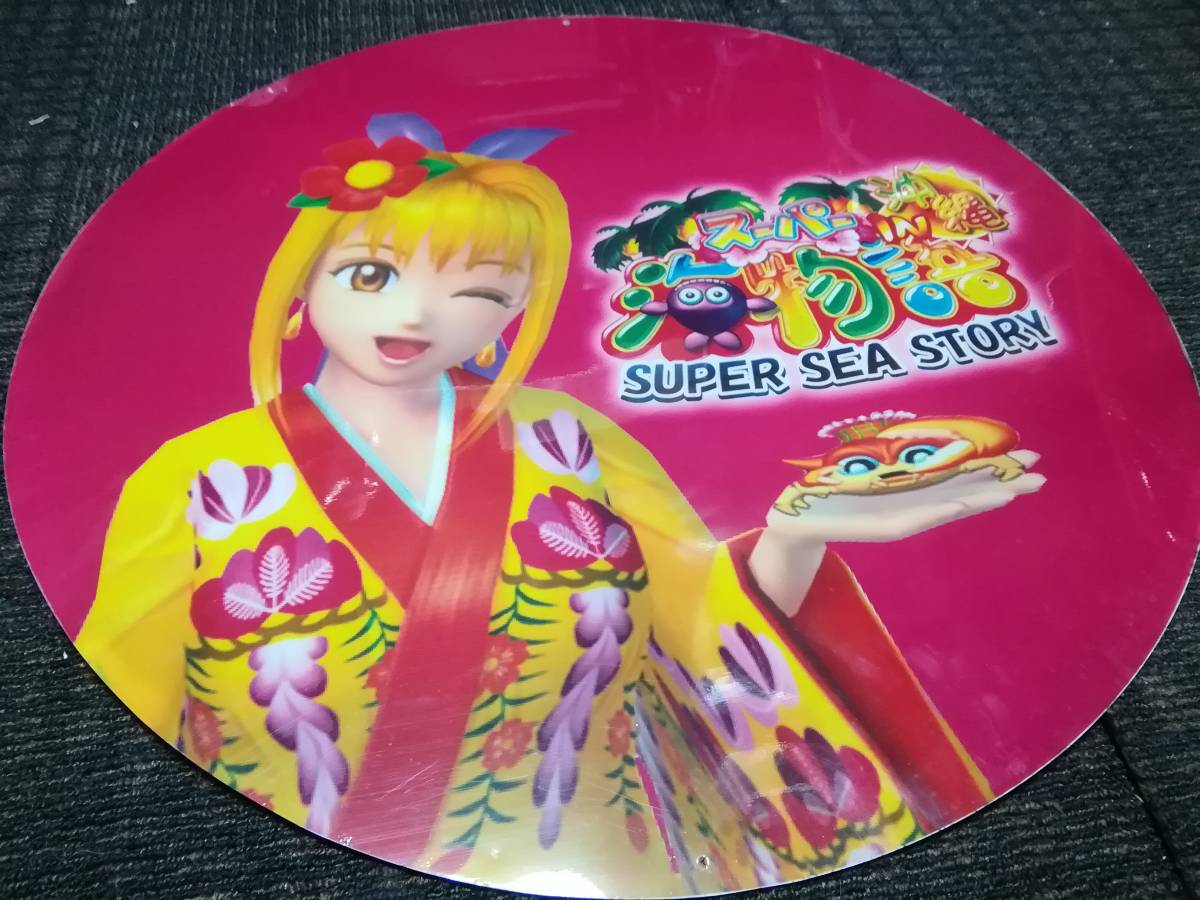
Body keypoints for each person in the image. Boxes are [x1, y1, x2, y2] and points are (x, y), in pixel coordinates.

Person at [76, 114, 1043, 896]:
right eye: (371, 274)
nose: (414, 315)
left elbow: (700, 629)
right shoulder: (196, 478)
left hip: (603, 866)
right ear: (301, 286)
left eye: (477, 292)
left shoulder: (571, 440)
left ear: (511, 316)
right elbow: (115, 720)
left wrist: (792, 537)